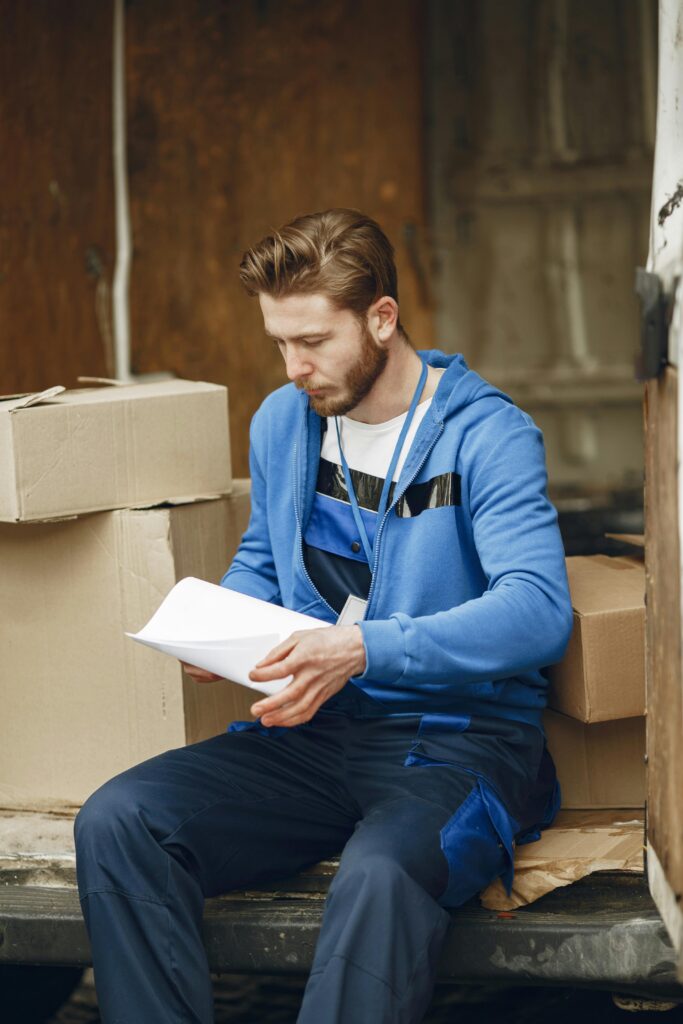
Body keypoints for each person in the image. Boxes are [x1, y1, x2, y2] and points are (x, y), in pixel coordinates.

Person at [74, 208, 573, 1024]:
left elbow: (537, 613)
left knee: (378, 873)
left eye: (312, 341)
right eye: (278, 342)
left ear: (382, 317)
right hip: (314, 736)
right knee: (120, 819)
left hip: (456, 743)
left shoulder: (490, 434)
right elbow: (266, 562)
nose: (293, 366)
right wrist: (221, 630)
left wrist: (361, 650)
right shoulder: (282, 421)